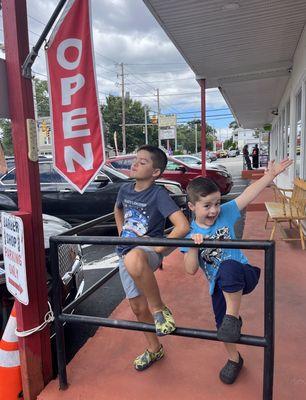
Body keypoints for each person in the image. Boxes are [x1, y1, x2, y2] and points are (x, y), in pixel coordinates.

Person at [181, 158, 292, 385]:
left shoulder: (226, 214)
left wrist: (269, 176)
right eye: (207, 206)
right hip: (218, 287)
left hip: (243, 273)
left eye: (217, 203)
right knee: (223, 329)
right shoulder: (190, 233)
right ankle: (234, 358)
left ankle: (233, 317)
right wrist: (193, 246)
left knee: (228, 267)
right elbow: (191, 270)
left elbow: (248, 194)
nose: (214, 210)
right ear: (192, 207)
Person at [114, 145, 189, 371]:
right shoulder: (125, 190)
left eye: (143, 162)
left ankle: (159, 309)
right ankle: (154, 348)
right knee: (137, 308)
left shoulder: (158, 194)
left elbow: (183, 226)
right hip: (124, 253)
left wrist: (159, 249)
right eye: (135, 160)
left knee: (135, 256)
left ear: (156, 172)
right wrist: (121, 235)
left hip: (146, 254)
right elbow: (117, 210)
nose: (134, 164)